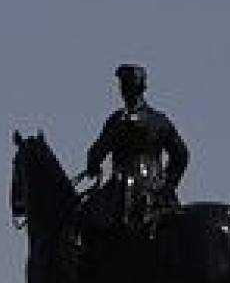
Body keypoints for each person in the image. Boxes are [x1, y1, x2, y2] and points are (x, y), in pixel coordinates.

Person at [80, 63, 189, 238]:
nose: (123, 90)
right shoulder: (160, 120)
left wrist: (93, 166)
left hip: (124, 190)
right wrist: (167, 185)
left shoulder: (119, 120)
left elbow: (97, 152)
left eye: (124, 85)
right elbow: (181, 155)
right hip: (157, 187)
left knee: (85, 217)